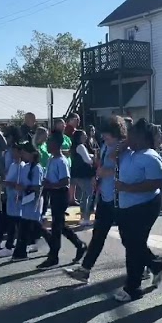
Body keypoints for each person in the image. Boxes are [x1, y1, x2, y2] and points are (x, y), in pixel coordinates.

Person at [65, 117, 126, 283]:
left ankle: (151, 264)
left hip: (119, 199)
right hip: (105, 196)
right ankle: (85, 270)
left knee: (129, 238)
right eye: (104, 135)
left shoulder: (123, 147)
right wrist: (97, 175)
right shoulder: (106, 146)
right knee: (98, 235)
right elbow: (100, 164)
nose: (105, 138)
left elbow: (121, 168)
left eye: (108, 135)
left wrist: (105, 172)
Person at [113, 119, 162, 302]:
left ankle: (133, 287)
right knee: (130, 242)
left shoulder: (150, 156)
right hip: (126, 205)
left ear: (143, 138)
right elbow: (111, 157)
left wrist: (127, 187)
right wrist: (123, 146)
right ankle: (155, 264)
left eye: (133, 135)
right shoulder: (128, 153)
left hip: (145, 205)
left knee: (134, 246)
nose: (129, 138)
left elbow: (155, 183)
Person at [39, 129, 86, 268]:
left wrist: (51, 184)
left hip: (60, 194)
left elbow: (65, 181)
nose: (47, 143)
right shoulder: (50, 159)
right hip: (53, 194)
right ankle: (79, 245)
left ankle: (53, 256)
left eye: (49, 141)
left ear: (56, 144)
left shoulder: (61, 161)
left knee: (56, 226)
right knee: (59, 224)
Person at [11, 142, 45, 262]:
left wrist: (25, 188)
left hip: (34, 200)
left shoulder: (37, 168)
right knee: (28, 225)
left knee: (32, 225)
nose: (23, 154)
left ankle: (20, 252)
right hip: (25, 200)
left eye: (25, 152)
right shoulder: (25, 167)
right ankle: (20, 252)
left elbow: (37, 187)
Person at [0, 143, 23, 257]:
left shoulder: (21, 166)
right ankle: (11, 245)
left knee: (14, 223)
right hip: (10, 196)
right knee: (12, 222)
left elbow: (19, 184)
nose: (13, 154)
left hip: (17, 198)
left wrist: (6, 183)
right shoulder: (13, 165)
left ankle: (10, 246)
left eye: (15, 151)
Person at [72, 129, 97, 227]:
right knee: (89, 195)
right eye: (84, 135)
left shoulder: (76, 147)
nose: (86, 137)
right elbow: (88, 160)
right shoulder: (81, 146)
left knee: (83, 195)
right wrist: (94, 158)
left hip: (78, 174)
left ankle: (83, 216)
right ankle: (86, 217)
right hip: (84, 174)